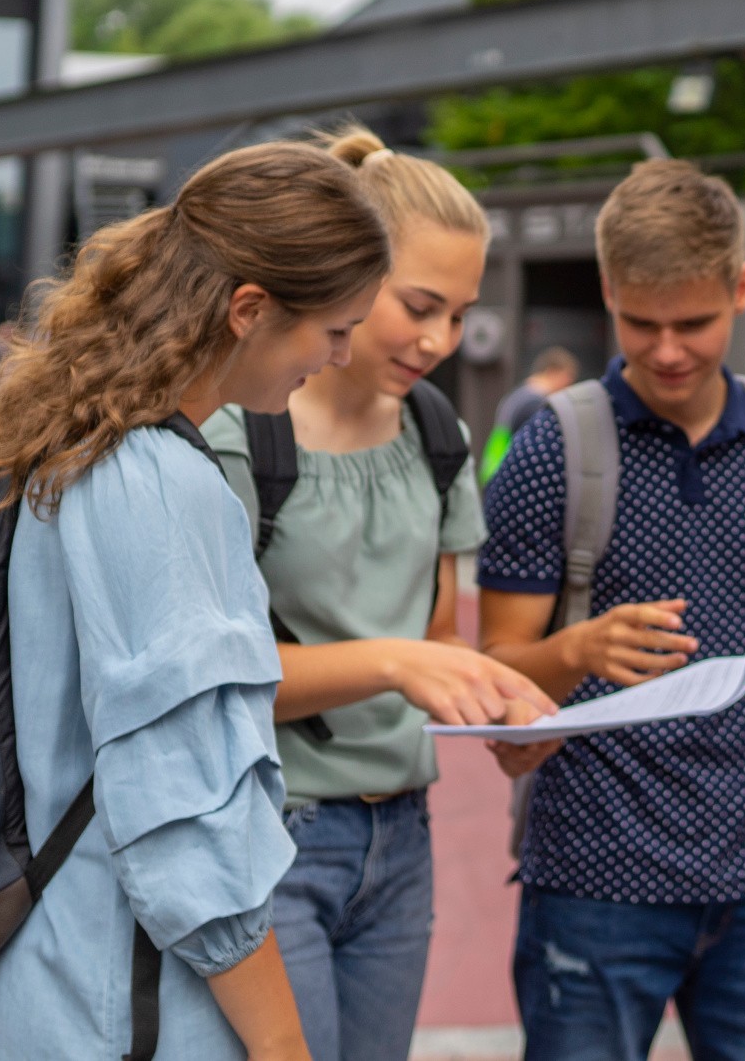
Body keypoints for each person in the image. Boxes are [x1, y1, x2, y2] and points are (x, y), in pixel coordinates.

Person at [0, 140, 402, 1061]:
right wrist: (283, 1046)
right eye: (336, 327)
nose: (343, 355)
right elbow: (187, 816)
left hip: (40, 973)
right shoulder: (158, 478)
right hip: (131, 1005)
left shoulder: (71, 437)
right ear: (248, 309)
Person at [476, 159, 745, 1061]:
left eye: (695, 322)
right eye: (640, 323)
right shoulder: (550, 450)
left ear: (743, 287)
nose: (668, 349)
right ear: (610, 293)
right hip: (592, 882)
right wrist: (578, 648)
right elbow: (494, 663)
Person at [202, 129, 551, 1061]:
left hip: (401, 833)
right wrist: (403, 662)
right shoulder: (242, 432)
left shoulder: (438, 433)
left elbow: (438, 644)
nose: (441, 340)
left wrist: (501, 713)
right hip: (273, 830)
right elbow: (212, 682)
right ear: (353, 276)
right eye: (420, 306)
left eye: (461, 313)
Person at [484, 346, 580, 478]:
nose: (568, 388)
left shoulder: (520, 394)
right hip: (509, 472)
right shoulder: (536, 403)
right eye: (566, 380)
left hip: (496, 468)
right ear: (552, 372)